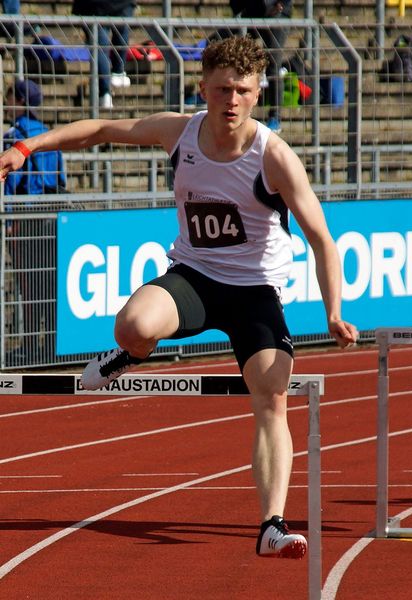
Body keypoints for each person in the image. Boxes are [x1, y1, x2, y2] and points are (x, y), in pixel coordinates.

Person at [0, 36, 358, 558]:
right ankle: (127, 356)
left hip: (254, 293)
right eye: (221, 90)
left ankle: (271, 525)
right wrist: (27, 146)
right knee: (132, 326)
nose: (230, 101)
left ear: (258, 94)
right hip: (194, 275)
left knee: (272, 396)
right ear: (203, 88)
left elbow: (322, 239)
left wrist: (333, 311)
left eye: (241, 90)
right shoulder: (181, 131)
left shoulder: (274, 157)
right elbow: (102, 129)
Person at [3, 79, 66, 363]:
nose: (6, 102)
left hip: (25, 218)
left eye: (9, 96)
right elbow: (61, 179)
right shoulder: (48, 135)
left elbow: (9, 182)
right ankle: (52, 344)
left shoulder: (15, 136)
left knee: (28, 287)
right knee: (50, 283)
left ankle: (30, 347)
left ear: (20, 100)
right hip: (52, 215)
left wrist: (9, 222)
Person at [229, 0, 293, 133]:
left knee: (273, 66)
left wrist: (280, 3)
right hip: (251, 12)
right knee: (230, 53)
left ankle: (275, 117)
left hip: (276, 13)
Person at [72, 0, 137, 109]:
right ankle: (118, 72)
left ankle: (105, 93)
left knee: (99, 45)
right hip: (120, 4)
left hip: (92, 5)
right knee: (119, 33)